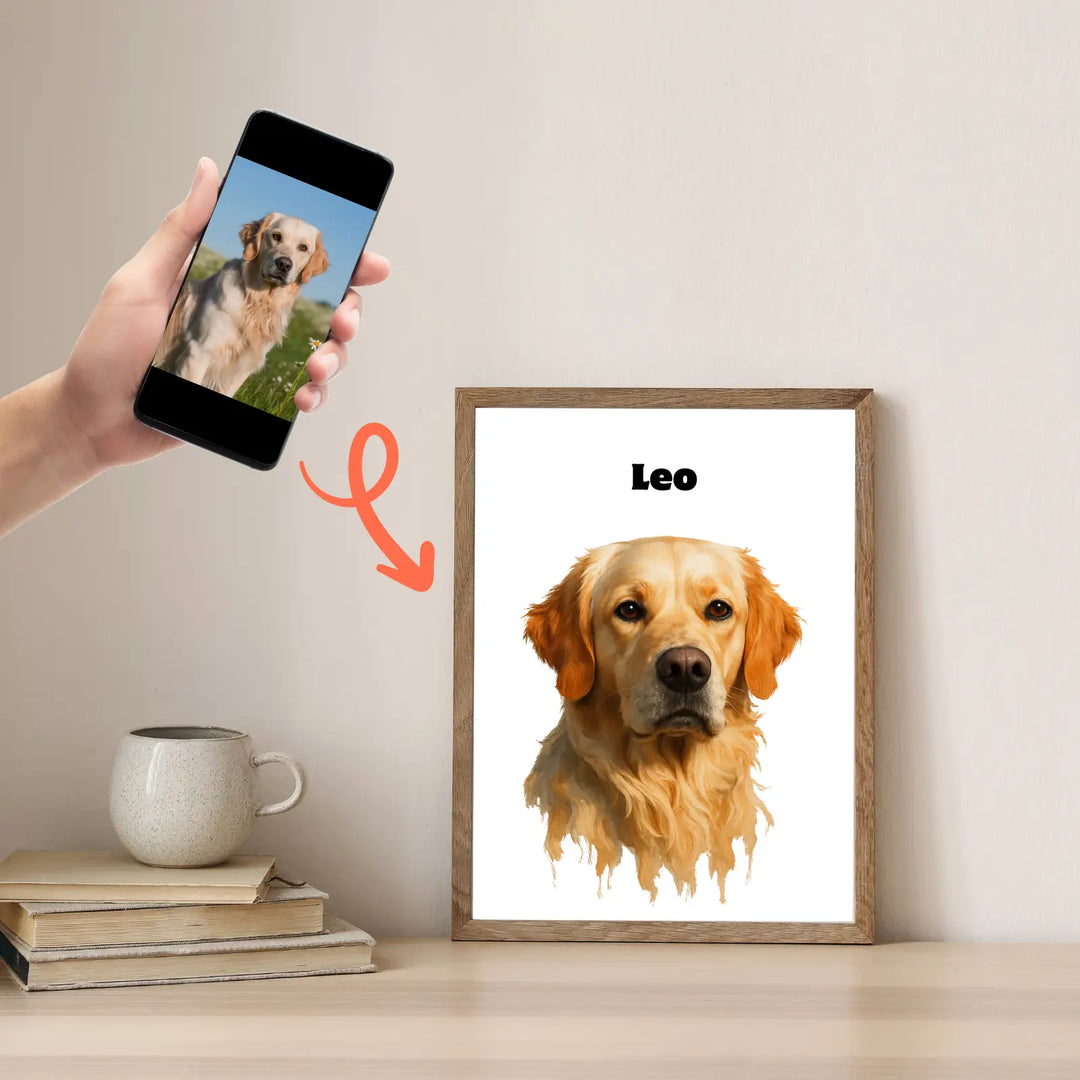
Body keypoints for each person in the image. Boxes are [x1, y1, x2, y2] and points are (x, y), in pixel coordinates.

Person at [0, 158, 390, 538]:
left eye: (301, 250)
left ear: (310, 264)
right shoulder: (222, 291)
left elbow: (237, 375)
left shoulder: (285, 309)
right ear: (256, 241)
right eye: (277, 239)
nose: (287, 256)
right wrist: (72, 423)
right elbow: (196, 357)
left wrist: (74, 427)